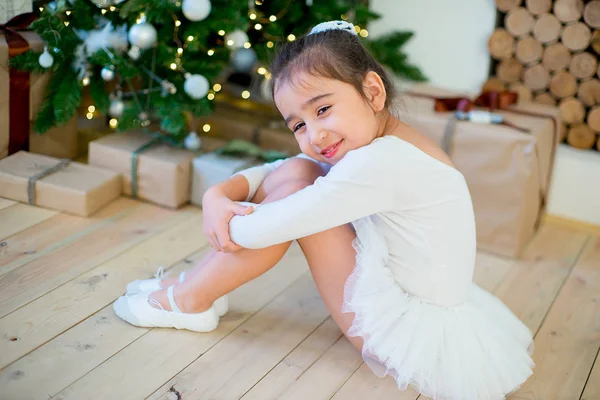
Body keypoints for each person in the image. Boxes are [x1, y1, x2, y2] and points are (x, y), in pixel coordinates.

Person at [113, 20, 534, 399]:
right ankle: (200, 285)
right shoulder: (390, 141)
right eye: (298, 124)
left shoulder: (380, 163)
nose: (314, 133)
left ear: (372, 91)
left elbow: (269, 228)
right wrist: (216, 194)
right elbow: (283, 168)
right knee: (299, 171)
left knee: (300, 195)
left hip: (404, 328)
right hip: (416, 297)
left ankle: (191, 297)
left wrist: (219, 215)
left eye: (323, 109)